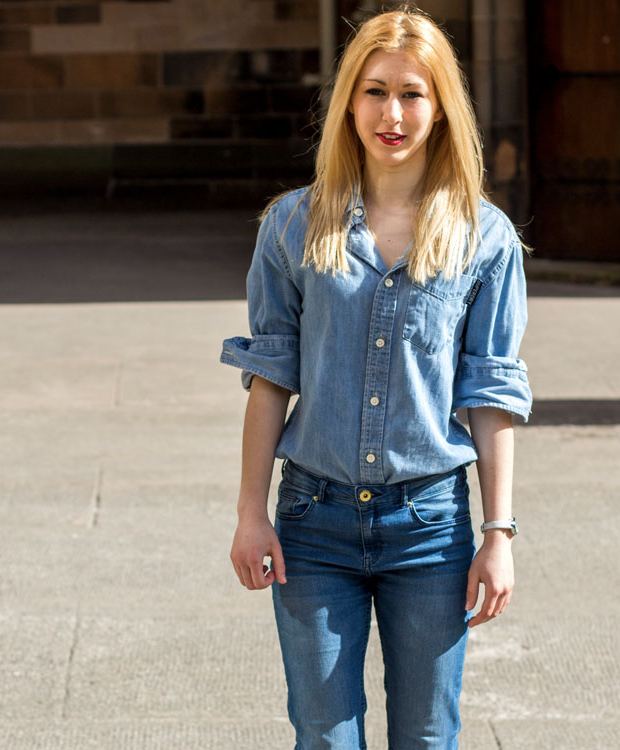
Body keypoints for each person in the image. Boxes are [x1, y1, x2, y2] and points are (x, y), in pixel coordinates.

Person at [220, 7, 531, 750]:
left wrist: (499, 533)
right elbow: (271, 378)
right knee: (324, 738)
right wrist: (249, 511)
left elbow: (491, 395)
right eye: (374, 90)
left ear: (442, 107)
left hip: (430, 531)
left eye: (413, 94)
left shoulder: (484, 237)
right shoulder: (294, 225)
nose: (392, 113)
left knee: (426, 736)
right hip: (312, 525)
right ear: (348, 102)